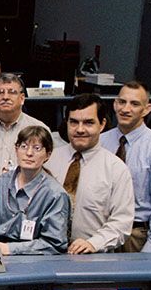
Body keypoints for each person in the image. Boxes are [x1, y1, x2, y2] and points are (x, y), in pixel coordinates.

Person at [47, 94, 135, 254]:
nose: (80, 129)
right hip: (46, 256)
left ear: (102, 125)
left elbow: (122, 222)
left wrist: (94, 243)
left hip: (93, 259)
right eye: (73, 122)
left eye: (88, 122)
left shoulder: (116, 169)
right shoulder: (48, 161)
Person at [101, 81, 151, 253]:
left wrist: (148, 253)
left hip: (134, 237)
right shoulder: (100, 143)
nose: (126, 109)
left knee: (130, 282)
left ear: (146, 109)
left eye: (134, 104)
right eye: (122, 102)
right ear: (114, 104)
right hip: (99, 231)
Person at [0, 126, 70, 255]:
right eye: (24, 146)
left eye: (37, 148)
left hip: (36, 260)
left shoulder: (55, 194)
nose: (29, 153)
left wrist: (11, 249)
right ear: (16, 149)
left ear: (48, 155)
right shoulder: (1, 183)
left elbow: (55, 244)